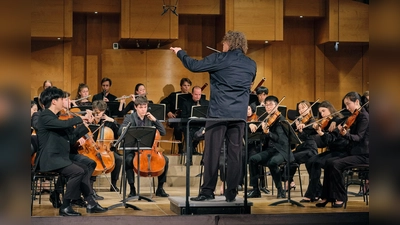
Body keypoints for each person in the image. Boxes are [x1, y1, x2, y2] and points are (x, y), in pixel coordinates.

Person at [171, 30, 256, 202]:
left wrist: (180, 52)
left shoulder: (220, 59)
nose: (222, 46)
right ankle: (231, 193)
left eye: (223, 44)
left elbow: (194, 66)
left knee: (212, 153)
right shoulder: (251, 64)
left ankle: (207, 192)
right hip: (239, 116)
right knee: (235, 154)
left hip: (218, 113)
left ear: (229, 43)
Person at [36, 87, 107, 216]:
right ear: (54, 101)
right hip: (50, 158)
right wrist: (81, 118)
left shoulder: (55, 117)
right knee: (77, 171)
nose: (64, 101)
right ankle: (66, 206)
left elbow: (71, 138)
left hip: (60, 157)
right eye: (62, 98)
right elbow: (63, 125)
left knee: (85, 167)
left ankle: (88, 202)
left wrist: (84, 126)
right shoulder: (45, 116)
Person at [316, 92, 369, 208]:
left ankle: (340, 197)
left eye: (348, 104)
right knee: (328, 162)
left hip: (363, 154)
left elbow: (358, 138)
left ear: (357, 102)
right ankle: (326, 196)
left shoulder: (364, 117)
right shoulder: (353, 116)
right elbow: (341, 127)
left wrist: (345, 134)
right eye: (345, 104)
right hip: (353, 152)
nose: (346, 107)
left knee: (335, 164)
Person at [118, 96, 170, 198]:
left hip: (149, 150)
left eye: (145, 107)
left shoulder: (150, 118)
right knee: (128, 160)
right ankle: (132, 189)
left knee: (166, 160)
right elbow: (120, 131)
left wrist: (155, 120)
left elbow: (163, 132)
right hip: (133, 150)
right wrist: (129, 128)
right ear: (136, 107)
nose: (143, 109)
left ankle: (160, 188)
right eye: (141, 107)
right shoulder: (129, 118)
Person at [298, 101, 348, 202]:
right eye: (320, 112)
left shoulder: (337, 121)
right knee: (310, 161)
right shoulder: (326, 122)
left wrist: (322, 132)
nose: (322, 114)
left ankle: (312, 193)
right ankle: (316, 192)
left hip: (341, 151)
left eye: (324, 111)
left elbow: (331, 139)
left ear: (330, 109)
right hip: (332, 151)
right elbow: (311, 134)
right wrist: (303, 129)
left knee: (315, 162)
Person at [246, 96, 293, 199]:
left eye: (270, 105)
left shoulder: (281, 120)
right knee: (253, 159)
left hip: (282, 151)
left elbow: (280, 139)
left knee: (273, 162)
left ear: (277, 105)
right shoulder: (267, 119)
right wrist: (253, 126)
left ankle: (280, 190)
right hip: (271, 150)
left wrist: (268, 133)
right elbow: (262, 137)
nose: (268, 107)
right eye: (266, 105)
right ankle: (255, 190)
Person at [285, 100, 318, 192]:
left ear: (309, 108)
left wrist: (301, 131)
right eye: (299, 109)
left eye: (303, 108)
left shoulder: (313, 121)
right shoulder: (299, 121)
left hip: (310, 149)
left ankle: (289, 181)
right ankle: (289, 181)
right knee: (288, 158)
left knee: (292, 158)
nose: (301, 110)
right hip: (302, 148)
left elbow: (307, 137)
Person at [90, 100, 123, 192]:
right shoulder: (89, 120)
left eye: (100, 112)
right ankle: (90, 187)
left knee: (118, 159)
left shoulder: (108, 121)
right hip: (92, 149)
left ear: (103, 111)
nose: (97, 114)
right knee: (93, 160)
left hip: (104, 149)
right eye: (95, 111)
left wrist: (113, 122)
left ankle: (113, 184)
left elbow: (120, 132)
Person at [160, 78, 192, 154]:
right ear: (181, 86)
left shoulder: (192, 96)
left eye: (188, 85)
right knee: (178, 128)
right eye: (184, 85)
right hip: (176, 119)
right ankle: (180, 148)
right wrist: (168, 112)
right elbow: (163, 102)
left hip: (187, 120)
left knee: (195, 130)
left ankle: (192, 149)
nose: (186, 87)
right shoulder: (173, 95)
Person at [179, 86, 209, 164]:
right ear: (192, 94)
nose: (198, 97)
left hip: (202, 126)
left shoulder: (206, 103)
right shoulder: (186, 103)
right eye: (196, 94)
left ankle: (204, 160)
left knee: (210, 135)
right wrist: (191, 116)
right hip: (191, 126)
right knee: (188, 134)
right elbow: (183, 117)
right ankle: (189, 161)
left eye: (199, 94)